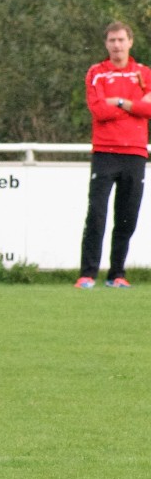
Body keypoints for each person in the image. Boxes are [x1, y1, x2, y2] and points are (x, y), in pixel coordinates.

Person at [75, 21, 151, 289]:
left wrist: (119, 102)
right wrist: (134, 106)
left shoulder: (144, 73)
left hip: (135, 153)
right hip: (105, 152)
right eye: (112, 41)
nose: (117, 45)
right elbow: (98, 110)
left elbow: (149, 109)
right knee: (96, 213)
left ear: (130, 42)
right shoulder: (97, 73)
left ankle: (117, 274)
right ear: (106, 44)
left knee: (127, 216)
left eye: (121, 40)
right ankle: (87, 274)